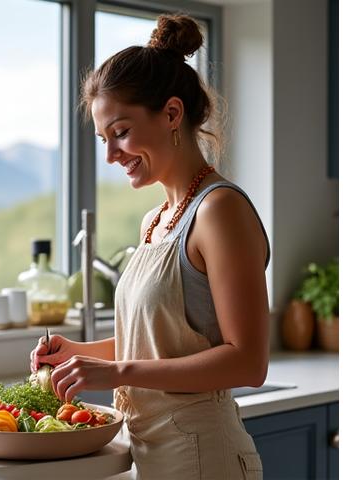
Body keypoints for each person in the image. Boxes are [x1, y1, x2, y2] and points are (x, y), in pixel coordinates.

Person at [30, 13, 268, 480]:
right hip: (157, 455)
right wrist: (79, 353)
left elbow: (248, 360)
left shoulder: (218, 210)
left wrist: (117, 372)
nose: (110, 155)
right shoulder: (155, 220)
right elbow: (163, 340)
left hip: (207, 458)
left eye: (120, 132)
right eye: (103, 138)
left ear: (172, 114)